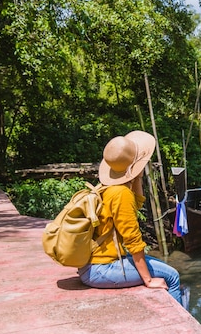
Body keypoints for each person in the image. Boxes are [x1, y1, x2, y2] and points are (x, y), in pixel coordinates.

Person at [78, 130, 183, 305]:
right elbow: (133, 239)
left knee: (160, 265)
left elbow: (137, 203)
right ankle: (183, 330)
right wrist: (148, 280)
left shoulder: (109, 188)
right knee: (172, 276)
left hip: (94, 266)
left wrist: (137, 175)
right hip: (102, 269)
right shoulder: (121, 193)